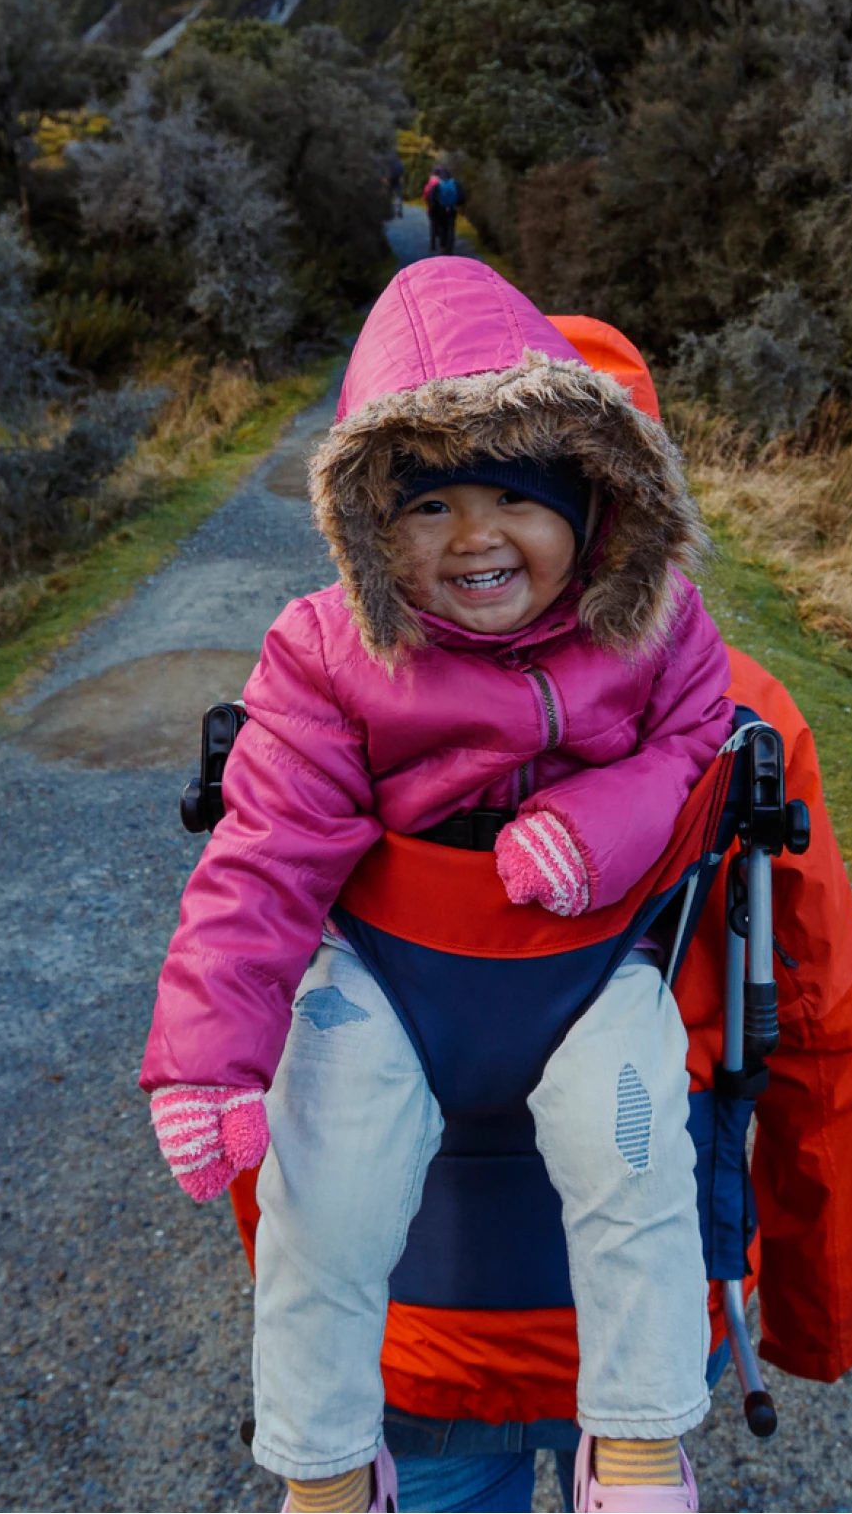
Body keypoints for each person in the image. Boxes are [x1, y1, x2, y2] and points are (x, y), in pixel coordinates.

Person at [142, 258, 734, 1514]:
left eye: (516, 496)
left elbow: (695, 745)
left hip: (588, 974)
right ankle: (324, 1462)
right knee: (324, 1200)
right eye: (427, 506)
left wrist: (597, 822)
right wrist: (207, 1057)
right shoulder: (328, 651)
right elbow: (266, 852)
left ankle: (634, 1435)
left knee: (638, 1156)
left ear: (593, 495)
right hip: (393, 980)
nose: (474, 536)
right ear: (368, 525)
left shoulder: (654, 624)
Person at [423, 165, 463, 253]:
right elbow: (461, 197)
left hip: (440, 210)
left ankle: (443, 246)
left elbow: (431, 198)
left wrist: (434, 208)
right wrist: (457, 204)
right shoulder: (455, 183)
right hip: (452, 208)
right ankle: (450, 247)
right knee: (451, 228)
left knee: (442, 227)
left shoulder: (437, 185)